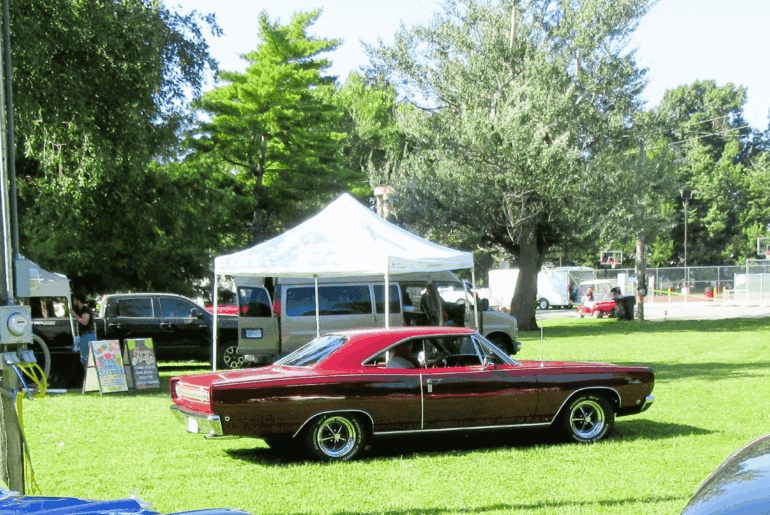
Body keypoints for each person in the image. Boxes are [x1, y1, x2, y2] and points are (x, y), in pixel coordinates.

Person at [73, 293, 96, 367]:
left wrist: (75, 315)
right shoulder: (82, 310)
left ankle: (87, 370)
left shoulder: (85, 310)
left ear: (78, 300)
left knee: (87, 356)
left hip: (87, 335)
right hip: (85, 335)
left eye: (75, 300)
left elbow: (84, 322)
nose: (73, 301)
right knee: (84, 356)